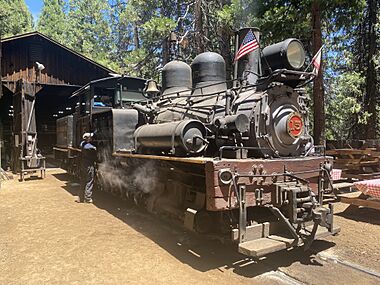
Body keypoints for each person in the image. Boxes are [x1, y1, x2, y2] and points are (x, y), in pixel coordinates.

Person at [78, 132, 97, 203]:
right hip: (88, 165)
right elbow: (94, 148)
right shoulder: (89, 146)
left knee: (83, 181)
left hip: (83, 164)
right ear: (88, 138)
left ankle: (80, 197)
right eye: (90, 137)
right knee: (89, 181)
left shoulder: (82, 143)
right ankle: (88, 198)